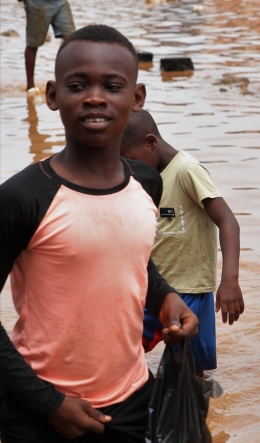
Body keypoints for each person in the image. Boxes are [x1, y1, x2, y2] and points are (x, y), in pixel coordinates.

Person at [0, 24, 199, 442]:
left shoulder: (146, 183)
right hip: (39, 409)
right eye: (78, 85)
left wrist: (166, 297)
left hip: (133, 400)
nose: (95, 97)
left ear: (137, 97)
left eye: (112, 86)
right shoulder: (22, 197)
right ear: (53, 95)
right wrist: (49, 403)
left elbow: (132, 260)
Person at [120, 110, 245, 375]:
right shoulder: (144, 179)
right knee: (118, 350)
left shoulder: (186, 170)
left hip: (191, 292)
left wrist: (230, 280)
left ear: (150, 143)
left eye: (130, 160)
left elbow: (228, 221)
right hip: (153, 292)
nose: (129, 169)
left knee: (191, 372)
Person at [19, 0, 76, 94]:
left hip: (60, 2)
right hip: (38, 3)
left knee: (71, 41)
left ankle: (65, 80)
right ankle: (30, 86)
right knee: (33, 43)